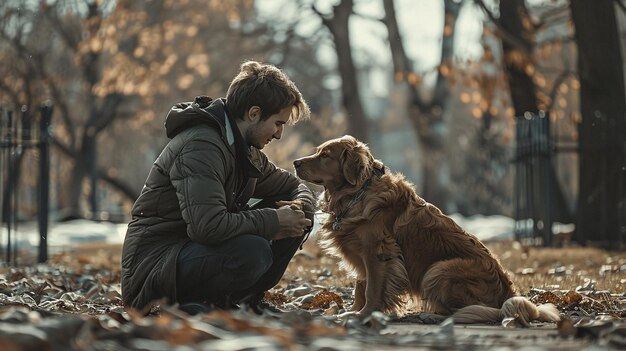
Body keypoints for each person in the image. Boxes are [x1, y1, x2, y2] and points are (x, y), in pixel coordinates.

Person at [121, 61, 315, 315]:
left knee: (299, 216)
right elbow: (207, 227)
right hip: (155, 268)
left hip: (190, 255)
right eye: (278, 123)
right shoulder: (202, 145)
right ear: (254, 113)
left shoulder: (245, 149)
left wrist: (301, 206)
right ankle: (194, 304)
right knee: (252, 251)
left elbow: (293, 185)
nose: (279, 134)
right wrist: (273, 220)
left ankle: (243, 300)